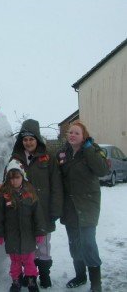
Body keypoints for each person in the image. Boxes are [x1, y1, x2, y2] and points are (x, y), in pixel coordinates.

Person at [56, 121, 109, 292]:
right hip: (70, 206)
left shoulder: (93, 150)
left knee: (88, 243)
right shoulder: (62, 153)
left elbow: (102, 171)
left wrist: (87, 148)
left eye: (76, 133)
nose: (72, 135)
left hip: (87, 204)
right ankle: (80, 276)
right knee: (74, 243)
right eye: (70, 132)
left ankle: (96, 283)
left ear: (83, 136)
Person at [11, 119, 63, 288]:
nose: (28, 143)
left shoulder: (48, 158)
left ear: (37, 139)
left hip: (44, 209)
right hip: (23, 211)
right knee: (28, 245)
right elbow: (10, 184)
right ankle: (29, 274)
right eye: (25, 139)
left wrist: (55, 209)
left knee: (43, 245)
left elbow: (56, 185)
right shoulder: (16, 159)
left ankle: (45, 274)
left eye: (31, 139)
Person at [0, 159, 47, 292]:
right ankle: (16, 281)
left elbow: (38, 215)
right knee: (15, 262)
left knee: (29, 261)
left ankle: (31, 280)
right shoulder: (3, 196)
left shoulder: (30, 194)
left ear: (22, 177)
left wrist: (40, 231)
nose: (14, 181)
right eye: (11, 178)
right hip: (12, 236)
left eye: (17, 177)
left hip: (28, 236)